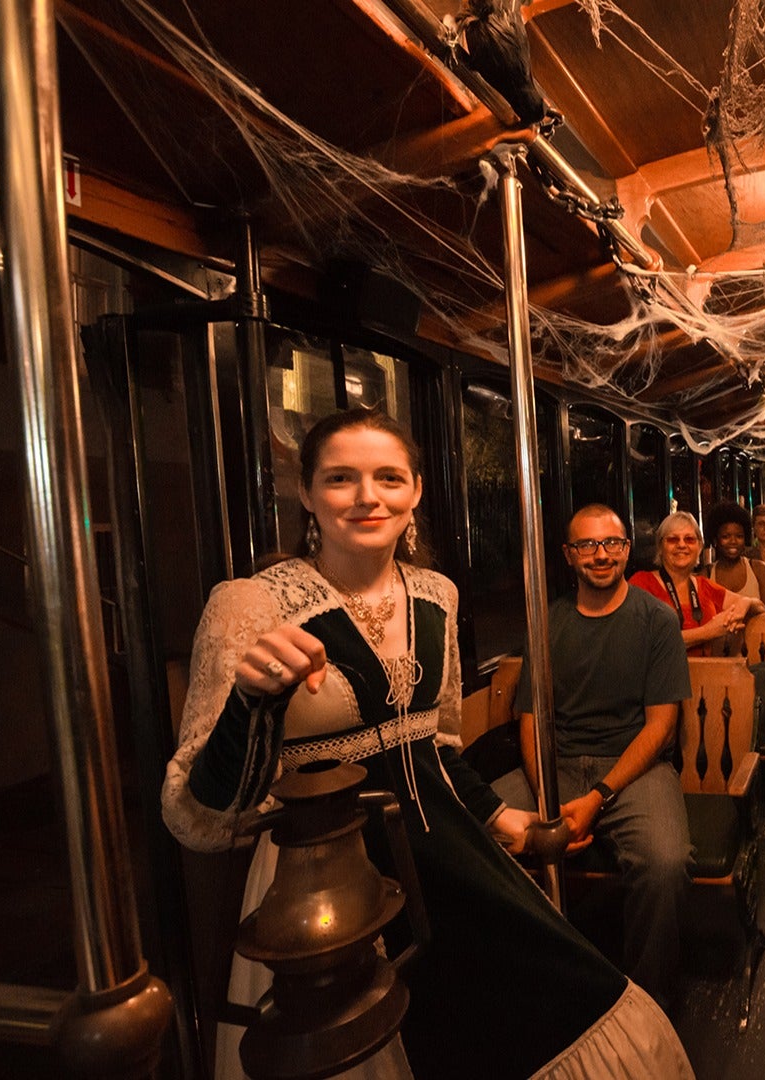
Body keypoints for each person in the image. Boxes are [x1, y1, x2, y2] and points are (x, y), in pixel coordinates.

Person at [163, 410, 690, 1080]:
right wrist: (251, 703)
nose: (366, 496)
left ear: (414, 492)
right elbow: (202, 817)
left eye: (388, 477)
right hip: (323, 880)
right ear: (307, 495)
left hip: (443, 851)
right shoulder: (249, 607)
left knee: (566, 996)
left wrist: (500, 819)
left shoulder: (435, 595)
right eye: (340, 478)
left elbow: (436, 749)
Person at [492, 505, 696, 1012]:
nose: (601, 555)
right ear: (568, 555)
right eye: (587, 545)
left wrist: (600, 796)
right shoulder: (548, 622)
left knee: (665, 863)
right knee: (473, 834)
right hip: (556, 765)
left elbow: (660, 726)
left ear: (627, 549)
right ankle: (521, 988)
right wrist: (545, 802)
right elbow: (531, 720)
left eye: (612, 543)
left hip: (631, 768)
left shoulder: (657, 621)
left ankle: (649, 1005)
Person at [630, 511, 765, 657]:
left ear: (699, 547)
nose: (681, 545)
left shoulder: (703, 585)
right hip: (665, 676)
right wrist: (709, 631)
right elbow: (644, 644)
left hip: (707, 673)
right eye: (673, 539)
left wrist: (745, 603)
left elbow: (760, 607)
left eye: (689, 539)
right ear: (660, 547)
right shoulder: (642, 583)